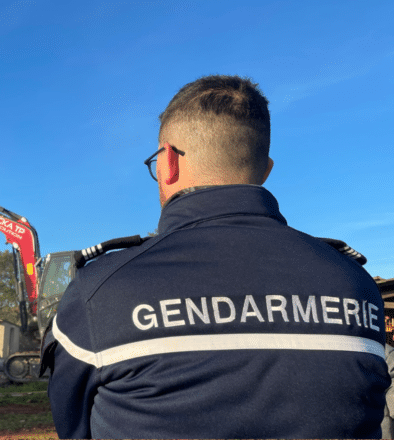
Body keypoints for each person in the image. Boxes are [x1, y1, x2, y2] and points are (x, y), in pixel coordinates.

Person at [42, 75, 390, 438]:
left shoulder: (100, 292)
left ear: (168, 163)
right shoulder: (357, 285)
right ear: (266, 170)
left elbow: (74, 426)